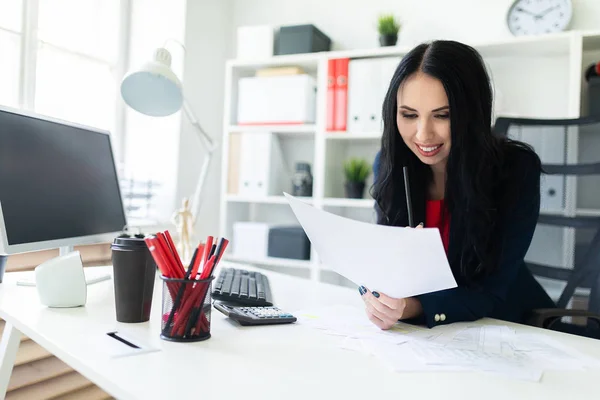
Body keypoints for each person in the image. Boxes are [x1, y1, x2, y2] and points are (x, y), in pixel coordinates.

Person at [363, 40, 556, 330]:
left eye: (443, 115)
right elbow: (388, 269)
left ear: (472, 112)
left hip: (506, 326)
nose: (423, 134)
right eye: (409, 115)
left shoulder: (516, 169)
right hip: (432, 338)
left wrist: (413, 307)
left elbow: (489, 292)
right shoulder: (389, 165)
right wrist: (379, 297)